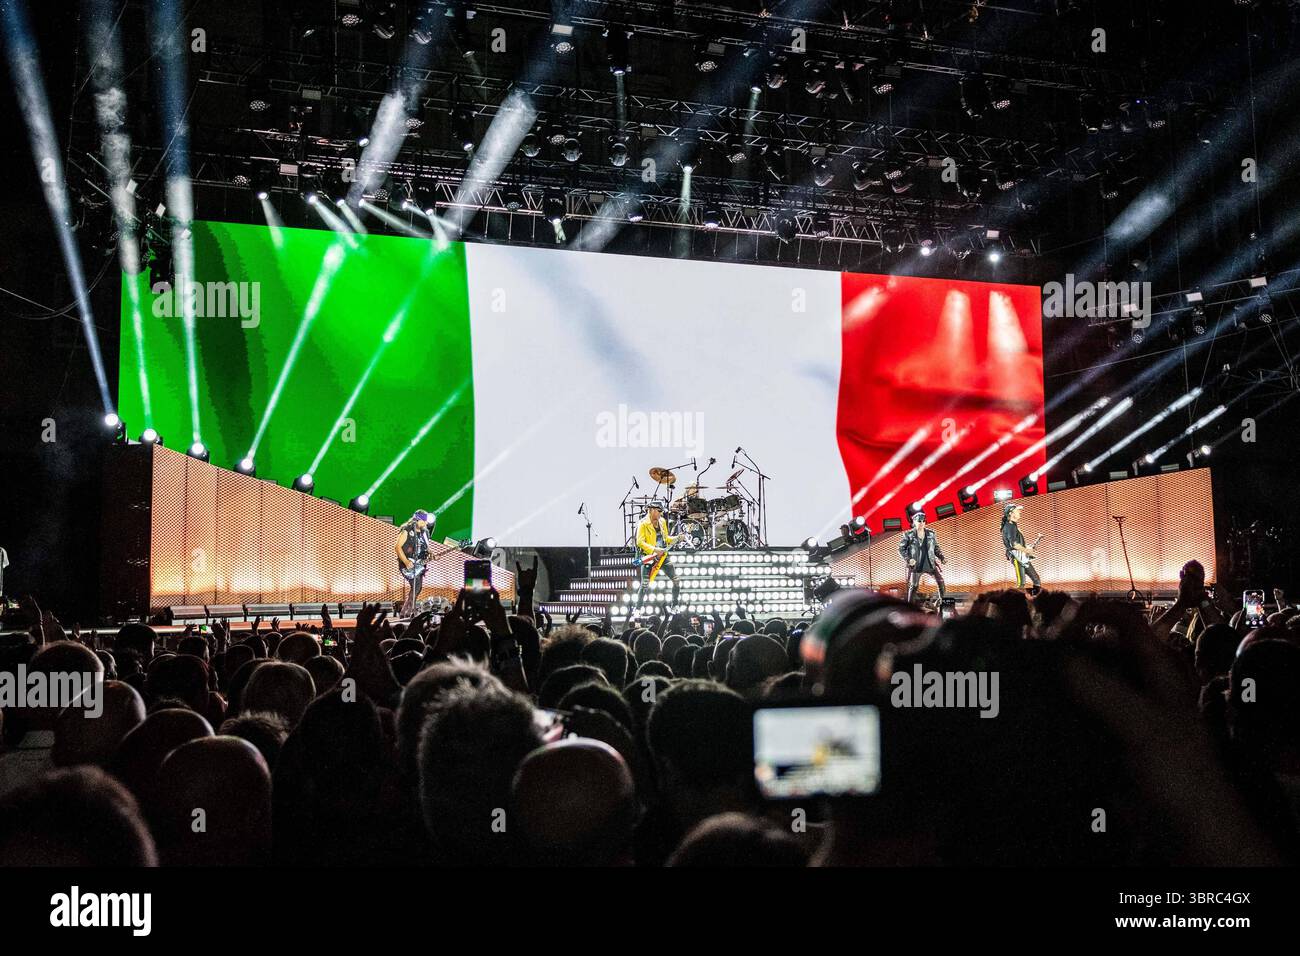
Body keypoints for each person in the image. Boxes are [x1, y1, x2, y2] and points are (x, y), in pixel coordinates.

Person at [635, 501, 680, 608]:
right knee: (645, 584)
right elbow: (639, 542)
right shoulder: (643, 524)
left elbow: (666, 539)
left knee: (676, 580)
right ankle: (638, 609)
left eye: (661, 511)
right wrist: (655, 550)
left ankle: (675, 605)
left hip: (663, 556)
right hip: (649, 557)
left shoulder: (662, 521)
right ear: (652, 510)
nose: (661, 513)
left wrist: (677, 538)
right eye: (659, 511)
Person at [898, 512, 947, 605]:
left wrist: (942, 557)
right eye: (919, 521)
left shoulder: (931, 534)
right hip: (916, 566)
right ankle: (910, 607)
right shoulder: (908, 534)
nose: (921, 523)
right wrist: (908, 559)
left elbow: (936, 548)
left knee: (941, 582)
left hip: (930, 564)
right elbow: (901, 549)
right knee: (914, 586)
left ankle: (942, 603)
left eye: (923, 521)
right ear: (914, 522)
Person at [396, 509, 434, 616]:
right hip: (408, 564)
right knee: (417, 587)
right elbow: (398, 547)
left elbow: (427, 548)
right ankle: (408, 611)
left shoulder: (425, 532)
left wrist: (431, 554)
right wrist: (406, 561)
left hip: (420, 564)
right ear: (417, 520)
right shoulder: (407, 530)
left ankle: (405, 611)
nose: (426, 523)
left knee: (417, 587)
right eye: (424, 521)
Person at [1001, 503, 1040, 595]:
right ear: (1011, 513)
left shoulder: (1013, 525)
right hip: (1017, 557)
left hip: (1022, 557)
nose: (1019, 512)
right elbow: (1014, 544)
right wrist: (1027, 550)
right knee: (1021, 582)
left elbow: (1018, 543)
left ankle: (1034, 598)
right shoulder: (1009, 526)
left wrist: (1028, 548)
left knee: (1036, 579)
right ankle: (1014, 603)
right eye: (1017, 511)